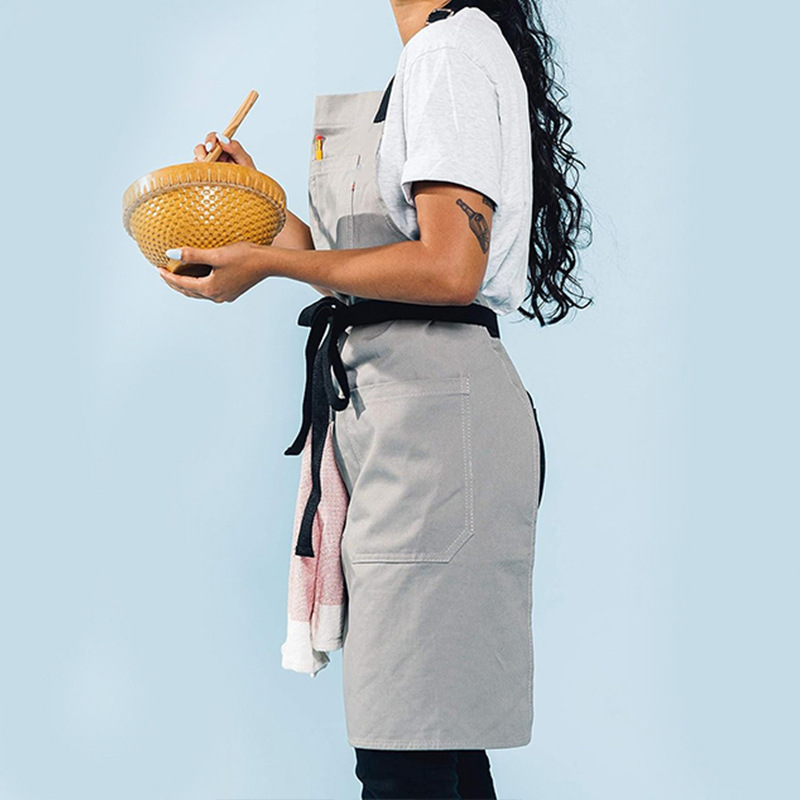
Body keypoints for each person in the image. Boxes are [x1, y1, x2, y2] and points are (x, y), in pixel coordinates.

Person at [159, 0, 592, 796]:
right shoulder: (438, 52)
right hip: (412, 419)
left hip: (435, 431)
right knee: (435, 739)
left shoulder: (446, 53)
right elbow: (368, 273)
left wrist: (270, 264)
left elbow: (449, 269)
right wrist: (257, 204)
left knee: (407, 750)